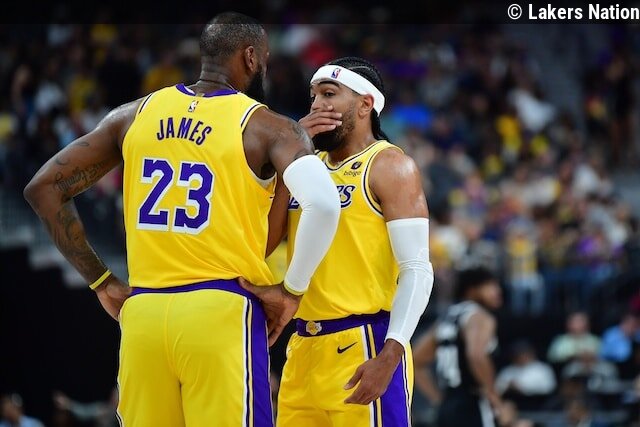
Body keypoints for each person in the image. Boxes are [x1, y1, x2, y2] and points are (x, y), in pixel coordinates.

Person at [23, 12, 341, 427]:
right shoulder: (268, 127)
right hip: (221, 311)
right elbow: (325, 205)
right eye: (263, 60)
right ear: (250, 57)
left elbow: (42, 188)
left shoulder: (134, 114)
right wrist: (291, 290)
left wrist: (101, 281)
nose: (264, 68)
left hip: (144, 315)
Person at [249, 56, 434, 426]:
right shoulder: (307, 168)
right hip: (301, 346)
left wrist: (391, 354)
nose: (317, 104)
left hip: (364, 343)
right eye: (314, 96)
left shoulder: (389, 165)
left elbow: (417, 268)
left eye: (329, 94)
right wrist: (290, 155)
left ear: (365, 104)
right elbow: (263, 244)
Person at [413, 267, 503, 427]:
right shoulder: (479, 316)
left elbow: (415, 360)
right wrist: (493, 395)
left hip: (447, 405)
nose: (497, 291)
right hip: (472, 404)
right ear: (472, 289)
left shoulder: (447, 317)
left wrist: (438, 399)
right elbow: (476, 355)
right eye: (490, 286)